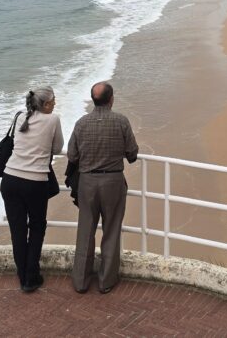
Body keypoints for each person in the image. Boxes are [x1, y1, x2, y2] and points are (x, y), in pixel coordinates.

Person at [67, 81, 139, 294]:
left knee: (85, 231)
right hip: (113, 182)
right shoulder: (121, 122)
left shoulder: (81, 123)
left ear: (93, 100)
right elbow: (132, 154)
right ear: (111, 99)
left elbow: (72, 155)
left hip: (87, 182)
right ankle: (106, 281)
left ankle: (80, 281)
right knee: (112, 229)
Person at [1, 86, 64, 293]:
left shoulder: (20, 116)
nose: (55, 103)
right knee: (37, 227)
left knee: (17, 230)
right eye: (53, 100)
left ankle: (22, 276)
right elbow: (56, 148)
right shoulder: (52, 119)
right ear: (46, 104)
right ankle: (31, 276)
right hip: (35, 182)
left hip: (10, 179)